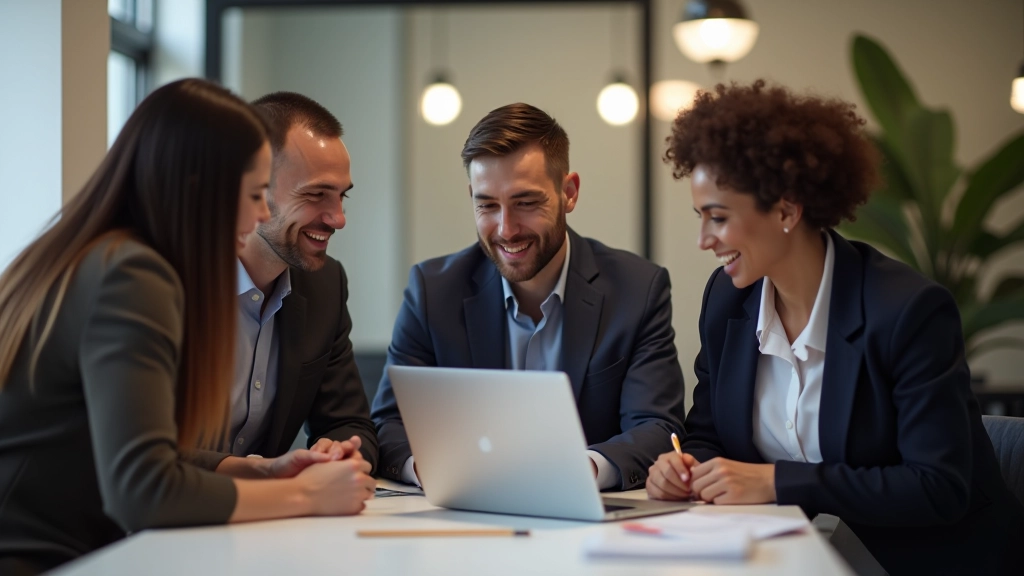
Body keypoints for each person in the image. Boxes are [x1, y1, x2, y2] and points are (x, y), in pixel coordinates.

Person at [647, 80, 1024, 575]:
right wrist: (686, 468)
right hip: (794, 558)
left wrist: (778, 482)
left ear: (786, 208)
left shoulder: (907, 310)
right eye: (700, 218)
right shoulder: (727, 301)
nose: (703, 240)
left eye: (717, 218)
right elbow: (709, 435)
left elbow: (938, 486)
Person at [0, 79, 375, 576]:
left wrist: (261, 469)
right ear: (201, 188)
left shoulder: (98, 254)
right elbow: (144, 489)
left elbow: (128, 450)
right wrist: (305, 494)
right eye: (254, 193)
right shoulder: (134, 273)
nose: (262, 212)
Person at [372, 103, 687, 491]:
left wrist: (577, 471)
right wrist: (434, 470)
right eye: (487, 205)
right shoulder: (432, 290)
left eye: (525, 203)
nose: (506, 229)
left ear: (569, 193)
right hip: (464, 517)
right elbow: (387, 425)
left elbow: (657, 427)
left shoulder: (638, 289)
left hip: (589, 523)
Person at [213, 91, 377, 470]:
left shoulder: (325, 285)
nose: (338, 218)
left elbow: (349, 423)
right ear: (253, 187)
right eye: (316, 195)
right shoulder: (173, 280)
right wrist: (267, 475)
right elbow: (151, 455)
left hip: (268, 521)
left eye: (341, 197)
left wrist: (340, 453)